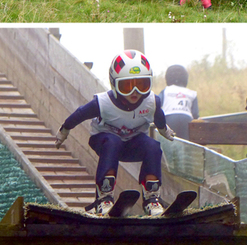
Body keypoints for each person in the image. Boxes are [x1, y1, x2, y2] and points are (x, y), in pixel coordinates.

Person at [54, 50, 175, 215]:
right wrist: (64, 130)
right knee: (113, 142)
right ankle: (104, 197)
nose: (135, 92)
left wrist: (164, 130)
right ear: (114, 84)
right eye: (127, 86)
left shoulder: (151, 102)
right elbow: (80, 114)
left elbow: (158, 117)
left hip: (133, 144)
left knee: (153, 146)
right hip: (104, 141)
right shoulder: (103, 103)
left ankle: (151, 199)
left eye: (142, 85)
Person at [158, 65, 198, 141]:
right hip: (187, 119)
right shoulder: (192, 93)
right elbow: (195, 113)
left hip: (169, 118)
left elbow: (156, 104)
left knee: (169, 141)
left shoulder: (166, 90)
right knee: (185, 143)